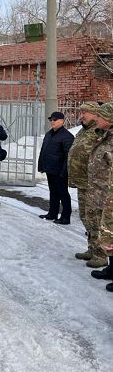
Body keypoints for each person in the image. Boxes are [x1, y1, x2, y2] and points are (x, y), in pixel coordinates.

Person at [67, 102, 100, 262]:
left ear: (95, 113)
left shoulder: (99, 132)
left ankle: (100, 254)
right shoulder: (83, 130)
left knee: (95, 219)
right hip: (82, 182)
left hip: (94, 184)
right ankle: (92, 248)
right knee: (85, 216)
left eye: (85, 112)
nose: (81, 116)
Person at [87, 102, 113, 282]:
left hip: (108, 194)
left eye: (100, 116)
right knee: (108, 233)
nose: (96, 118)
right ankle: (111, 268)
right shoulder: (105, 136)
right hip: (100, 193)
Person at [38, 111, 74, 224]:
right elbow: (44, 151)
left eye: (55, 119)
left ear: (62, 121)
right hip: (50, 169)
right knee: (53, 192)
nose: (52, 122)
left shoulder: (67, 136)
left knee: (63, 193)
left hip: (60, 171)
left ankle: (65, 217)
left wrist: (64, 171)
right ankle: (52, 213)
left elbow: (69, 156)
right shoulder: (49, 134)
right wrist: (41, 165)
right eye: (51, 120)